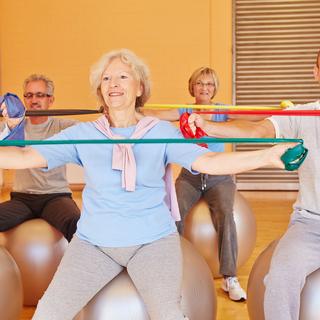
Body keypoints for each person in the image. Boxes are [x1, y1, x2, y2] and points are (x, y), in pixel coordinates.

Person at [0, 49, 295, 320]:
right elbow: (24, 156)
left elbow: (210, 162)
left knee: (168, 314)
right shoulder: (84, 133)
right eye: (106, 78)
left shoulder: (160, 132)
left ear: (139, 87)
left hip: (152, 242)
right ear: (100, 91)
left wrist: (268, 156)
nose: (113, 82)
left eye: (122, 76)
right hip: (94, 244)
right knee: (48, 311)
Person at [187, 51, 320, 320]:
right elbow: (256, 131)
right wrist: (207, 126)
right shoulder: (303, 115)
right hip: (311, 224)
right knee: (280, 278)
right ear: (316, 73)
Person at [142, 67, 261, 301]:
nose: (204, 88)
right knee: (174, 215)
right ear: (192, 87)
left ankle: (230, 278)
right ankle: (171, 271)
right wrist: (127, 109)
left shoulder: (220, 111)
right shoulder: (185, 111)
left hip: (219, 176)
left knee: (227, 214)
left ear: (214, 88)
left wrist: (283, 111)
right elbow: (153, 114)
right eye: (200, 83)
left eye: (209, 84)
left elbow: (251, 114)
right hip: (191, 175)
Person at [0, 74, 80, 242]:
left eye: (39, 95)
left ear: (51, 100)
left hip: (56, 196)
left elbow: (94, 130)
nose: (33, 100)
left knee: (76, 223)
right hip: (22, 198)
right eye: (28, 95)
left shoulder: (63, 126)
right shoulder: (13, 127)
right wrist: (9, 124)